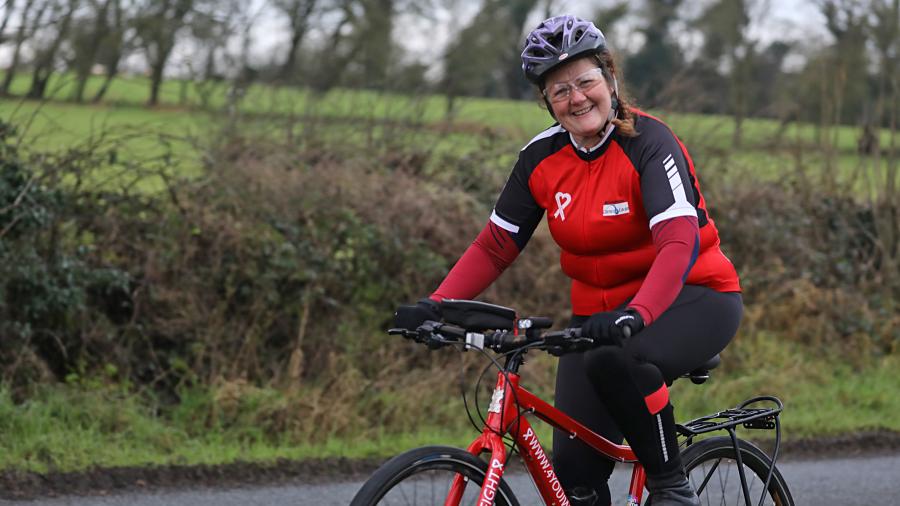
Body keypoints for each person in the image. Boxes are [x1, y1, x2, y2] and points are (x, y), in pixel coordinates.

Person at [394, 14, 741, 506]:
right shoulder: (541, 159)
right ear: (547, 102)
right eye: (560, 91)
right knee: (575, 478)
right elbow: (496, 245)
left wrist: (637, 313)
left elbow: (677, 242)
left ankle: (672, 487)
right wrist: (436, 304)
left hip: (694, 298)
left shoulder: (649, 143)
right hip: (600, 319)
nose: (577, 98)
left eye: (585, 82)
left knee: (620, 359)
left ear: (610, 79)